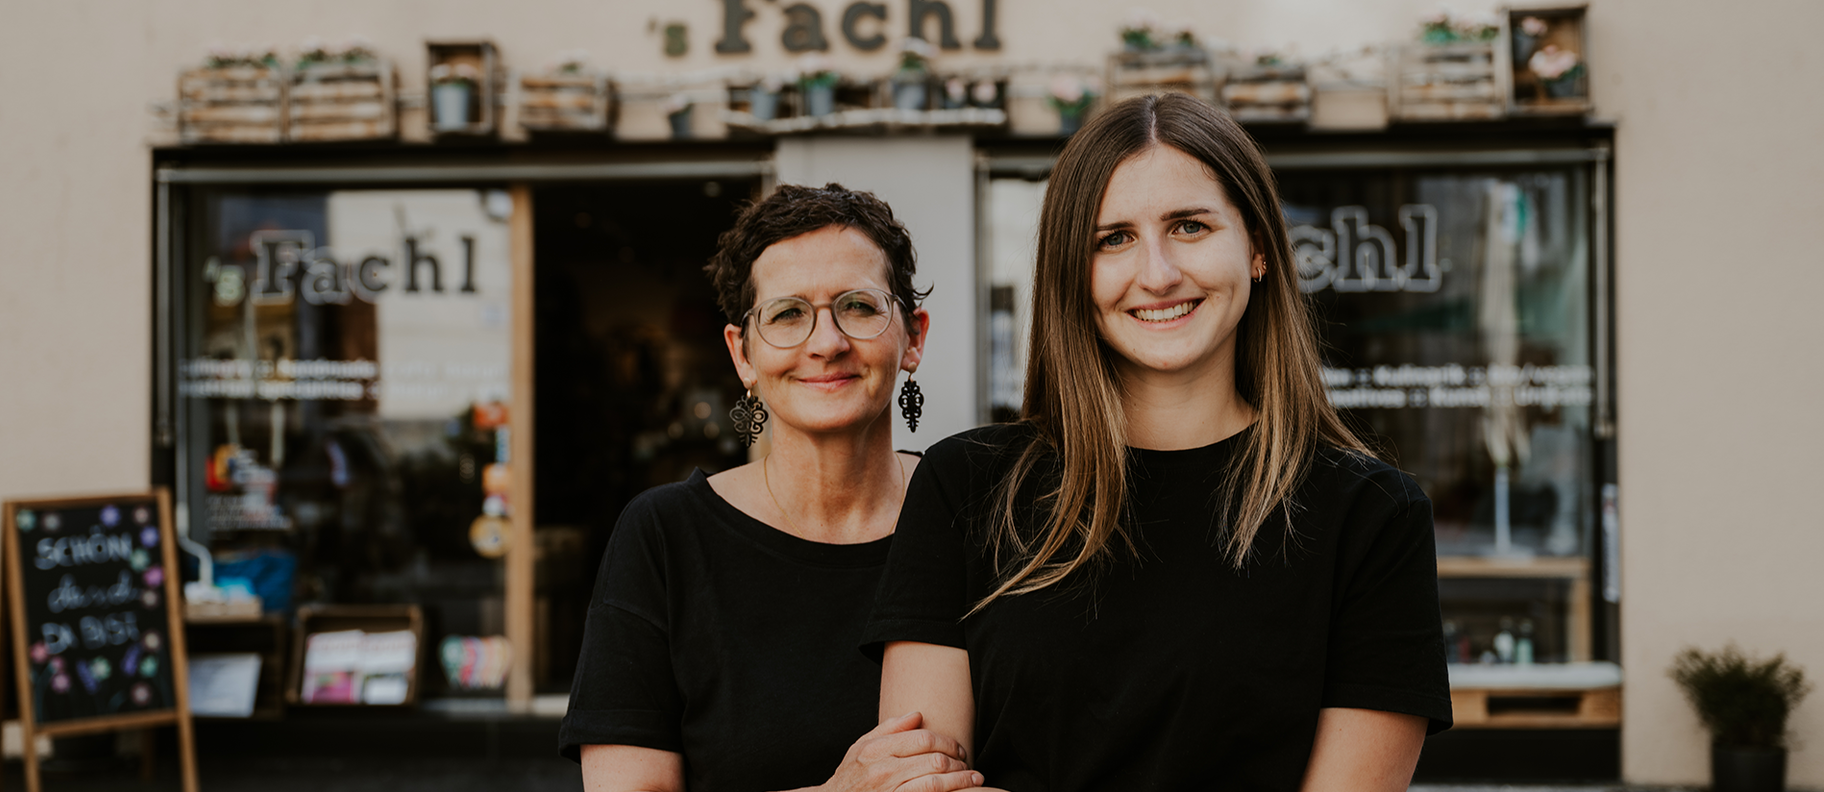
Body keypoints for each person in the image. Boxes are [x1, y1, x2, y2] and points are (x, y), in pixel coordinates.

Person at [864, 93, 1453, 791]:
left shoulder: (1370, 515)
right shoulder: (966, 483)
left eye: (1190, 226)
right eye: (1111, 238)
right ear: (1071, 274)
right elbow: (917, 782)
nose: (1157, 273)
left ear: (1258, 247)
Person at [558, 183, 987, 792]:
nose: (826, 342)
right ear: (744, 355)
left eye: (859, 307)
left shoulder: (979, 516)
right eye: (788, 314)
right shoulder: (664, 538)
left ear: (913, 336)